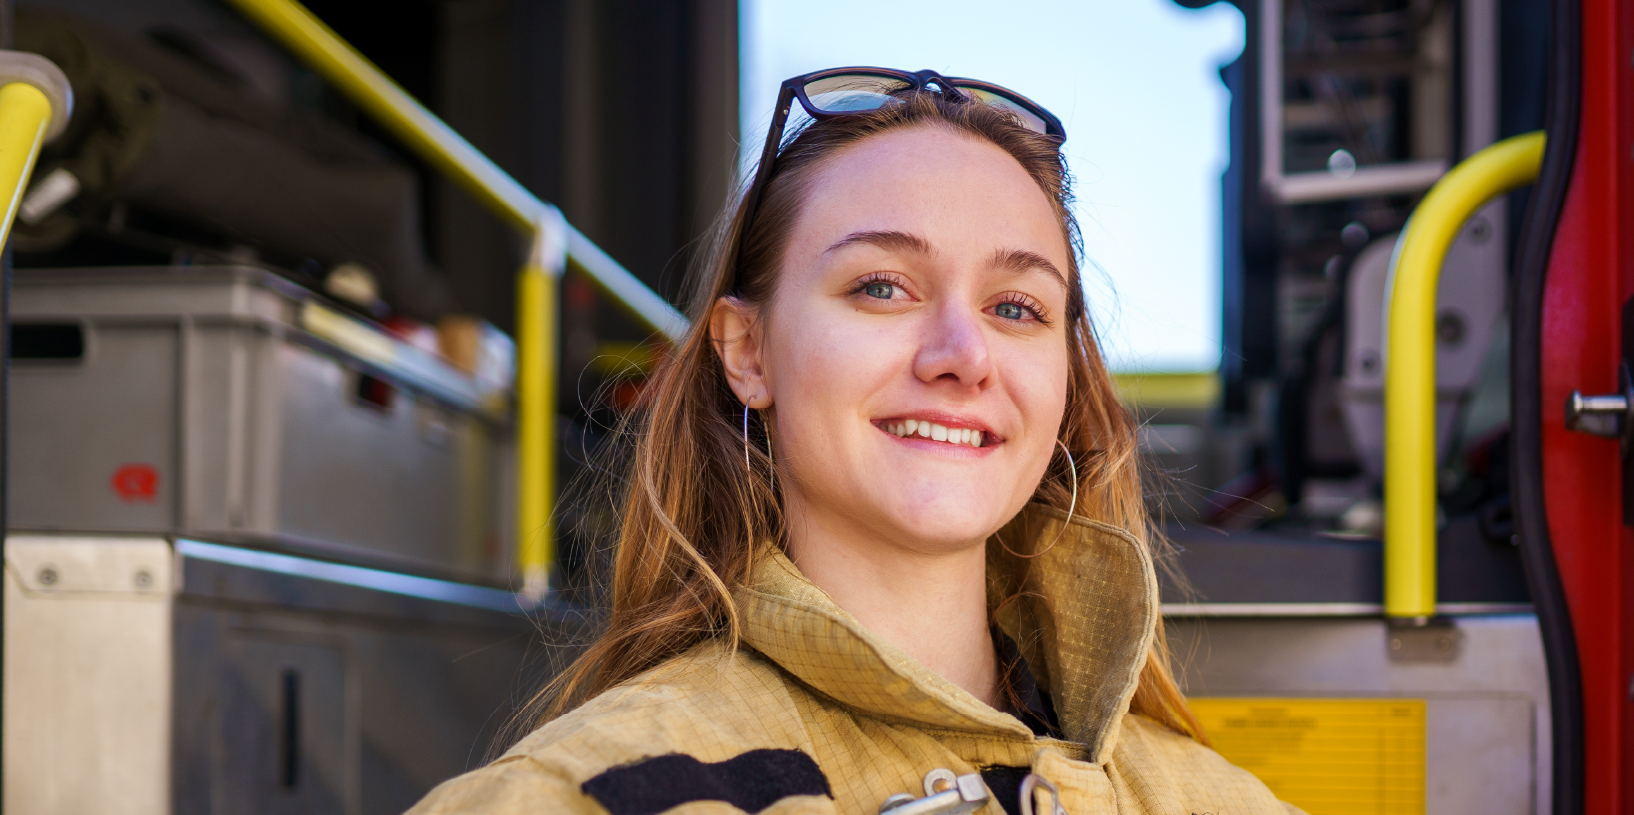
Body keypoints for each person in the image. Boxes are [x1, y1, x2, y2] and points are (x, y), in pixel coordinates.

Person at [410, 68, 1299, 815]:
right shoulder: (579, 793)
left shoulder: (1203, 795)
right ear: (748, 352)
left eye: (1016, 307)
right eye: (881, 287)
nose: (963, 355)